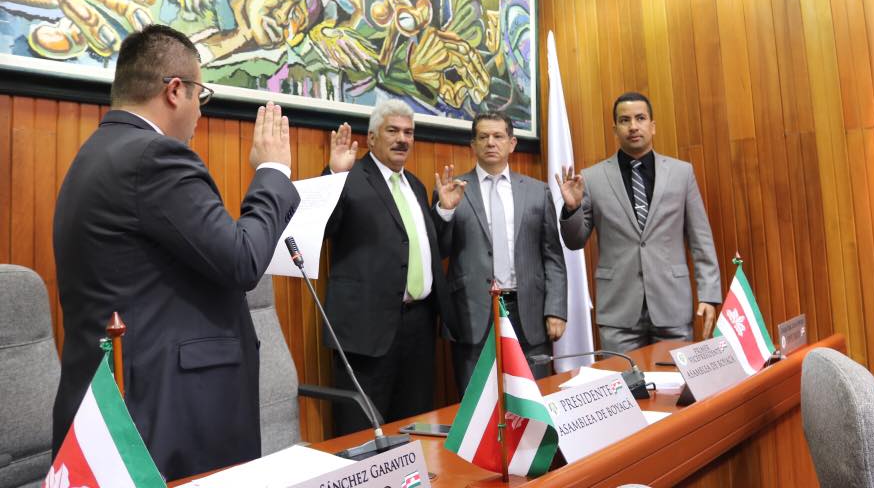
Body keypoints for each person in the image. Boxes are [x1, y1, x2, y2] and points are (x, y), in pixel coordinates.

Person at [51, 25, 300, 481]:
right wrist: (273, 171)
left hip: (113, 400)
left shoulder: (94, 155)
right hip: (162, 413)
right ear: (174, 91)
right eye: (200, 96)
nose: (200, 112)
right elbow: (243, 260)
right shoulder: (154, 157)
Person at [323, 99, 465, 435]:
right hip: (367, 331)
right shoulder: (348, 177)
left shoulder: (415, 185)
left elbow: (424, 248)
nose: (402, 139)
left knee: (415, 428)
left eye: (408, 132)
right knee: (363, 433)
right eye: (393, 131)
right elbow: (324, 228)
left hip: (418, 327)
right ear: (372, 138)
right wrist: (333, 177)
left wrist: (443, 212)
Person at [556, 92, 721, 353]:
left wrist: (709, 295)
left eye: (640, 118)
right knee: (624, 379)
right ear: (615, 129)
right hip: (618, 312)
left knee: (675, 379)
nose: (633, 126)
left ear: (652, 126)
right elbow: (574, 241)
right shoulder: (592, 178)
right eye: (625, 120)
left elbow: (701, 239)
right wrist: (571, 208)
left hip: (672, 307)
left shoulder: (681, 173)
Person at [435, 113, 567, 394]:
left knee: (533, 401)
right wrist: (445, 211)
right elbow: (439, 251)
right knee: (478, 405)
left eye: (498, 136)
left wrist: (556, 309)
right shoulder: (452, 190)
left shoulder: (537, 191)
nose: (491, 143)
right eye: (483, 137)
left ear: (512, 143)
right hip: (473, 313)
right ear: (473, 145)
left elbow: (553, 256)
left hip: (528, 310)